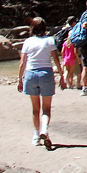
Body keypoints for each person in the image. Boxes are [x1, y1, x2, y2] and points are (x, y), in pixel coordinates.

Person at [17, 17, 58, 148]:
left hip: (31, 74)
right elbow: (56, 60)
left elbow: (22, 62)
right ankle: (44, 130)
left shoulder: (28, 42)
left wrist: (19, 79)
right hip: (46, 73)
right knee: (46, 108)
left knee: (35, 109)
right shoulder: (50, 40)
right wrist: (62, 76)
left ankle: (36, 136)